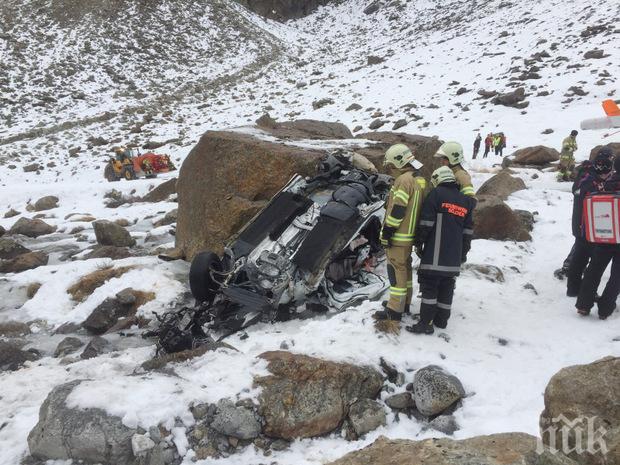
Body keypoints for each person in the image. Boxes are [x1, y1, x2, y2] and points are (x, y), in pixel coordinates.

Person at [406, 166, 475, 334]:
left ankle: (425, 323)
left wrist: (418, 242)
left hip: (435, 254)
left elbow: (426, 223)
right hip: (454, 257)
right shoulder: (465, 200)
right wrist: (462, 254)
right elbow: (468, 232)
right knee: (447, 286)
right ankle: (441, 320)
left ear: (437, 180)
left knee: (430, 286)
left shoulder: (436, 195)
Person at [373, 144, 427, 327]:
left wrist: (387, 231)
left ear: (398, 162)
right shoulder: (418, 179)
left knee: (396, 272)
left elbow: (398, 209)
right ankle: (404, 304)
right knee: (405, 270)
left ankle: (394, 311)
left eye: (390, 166)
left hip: (398, 236)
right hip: (409, 236)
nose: (390, 169)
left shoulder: (403, 181)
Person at [575, 154, 619, 319]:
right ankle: (605, 308)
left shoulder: (606, 184)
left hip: (604, 234)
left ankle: (583, 305)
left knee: (594, 269)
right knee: (617, 276)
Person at [566, 150, 614, 297]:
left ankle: (575, 289)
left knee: (581, 258)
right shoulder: (588, 178)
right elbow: (579, 192)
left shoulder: (591, 175)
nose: (607, 173)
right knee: (584, 259)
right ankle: (578, 290)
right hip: (585, 226)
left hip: (588, 225)